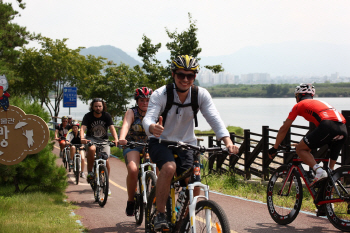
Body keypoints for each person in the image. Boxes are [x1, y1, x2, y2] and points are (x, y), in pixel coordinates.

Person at [142, 55, 239, 230]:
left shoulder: (200, 94)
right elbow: (147, 119)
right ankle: (160, 214)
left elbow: (215, 119)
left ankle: (186, 217)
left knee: (193, 179)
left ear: (195, 76)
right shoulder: (161, 94)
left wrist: (228, 141)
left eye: (190, 76)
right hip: (161, 141)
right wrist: (152, 127)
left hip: (187, 143)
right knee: (169, 168)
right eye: (181, 75)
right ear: (173, 74)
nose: (185, 79)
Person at [268, 83, 347, 186]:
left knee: (300, 149)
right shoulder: (320, 103)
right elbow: (317, 132)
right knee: (331, 174)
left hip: (328, 126)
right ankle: (328, 200)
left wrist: (275, 147)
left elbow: (284, 128)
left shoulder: (298, 105)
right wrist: (305, 144)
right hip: (343, 129)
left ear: (298, 96)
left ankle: (319, 171)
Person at [119, 87, 153, 216]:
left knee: (161, 167)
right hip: (132, 144)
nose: (145, 103)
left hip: (151, 145)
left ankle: (156, 192)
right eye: (142, 100)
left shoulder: (155, 112)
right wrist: (122, 138)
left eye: (148, 100)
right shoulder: (131, 112)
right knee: (133, 170)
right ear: (137, 101)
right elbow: (126, 125)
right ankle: (130, 200)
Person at [80, 98, 119, 195]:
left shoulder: (107, 116)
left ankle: (106, 183)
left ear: (103, 107)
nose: (98, 108)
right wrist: (82, 137)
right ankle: (90, 172)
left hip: (104, 141)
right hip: (91, 139)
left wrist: (116, 139)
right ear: (92, 107)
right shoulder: (88, 116)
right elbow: (83, 128)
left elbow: (112, 128)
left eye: (100, 106)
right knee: (92, 149)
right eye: (96, 106)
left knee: (106, 161)